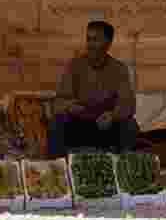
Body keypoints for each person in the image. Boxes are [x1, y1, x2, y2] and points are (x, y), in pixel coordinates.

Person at [48, 20, 139, 156]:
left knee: (130, 126)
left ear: (108, 44)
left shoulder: (119, 69)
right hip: (79, 125)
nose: (90, 45)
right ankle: (59, 166)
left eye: (95, 40)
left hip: (105, 126)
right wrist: (69, 106)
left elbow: (129, 105)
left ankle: (123, 167)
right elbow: (57, 103)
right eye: (88, 39)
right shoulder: (74, 66)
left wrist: (113, 115)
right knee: (56, 124)